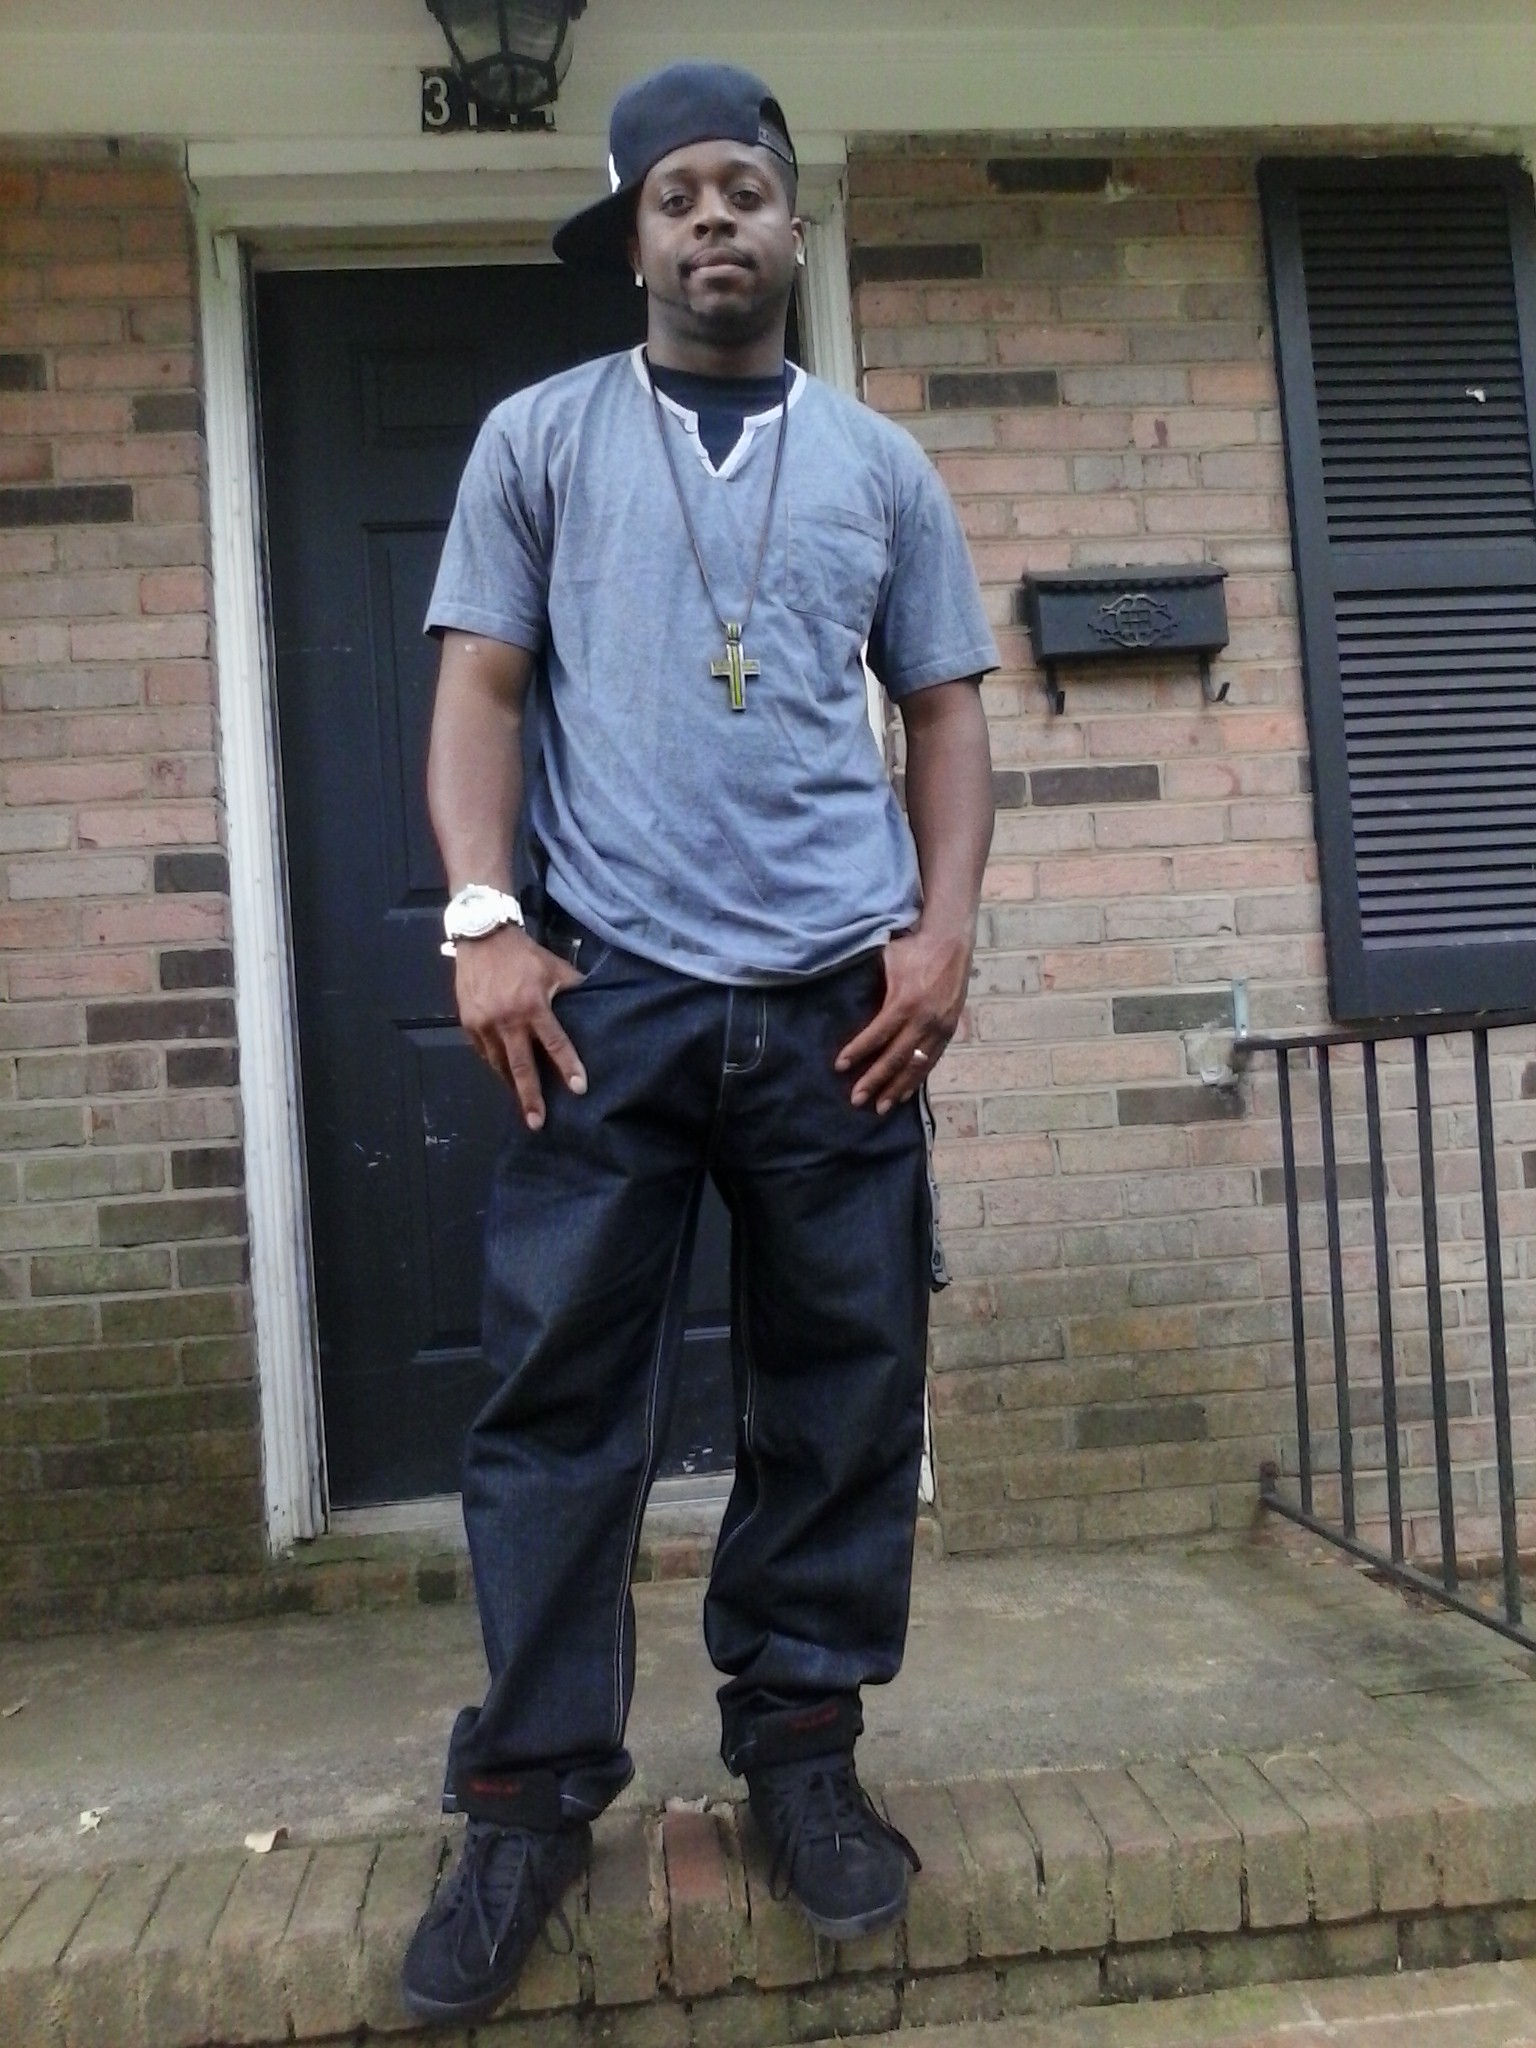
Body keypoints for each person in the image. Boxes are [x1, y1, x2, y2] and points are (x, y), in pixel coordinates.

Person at [400, 59, 998, 2027]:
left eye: (744, 187)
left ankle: (803, 1753)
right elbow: (483, 690)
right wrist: (483, 916)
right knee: (558, 1401)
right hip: (611, 997)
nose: (714, 220)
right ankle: (527, 1797)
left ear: (793, 223)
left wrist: (944, 935)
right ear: (636, 238)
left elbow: (946, 713)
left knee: (843, 1387)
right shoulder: (539, 440)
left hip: (842, 1008)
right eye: (678, 197)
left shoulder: (880, 468)